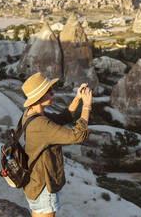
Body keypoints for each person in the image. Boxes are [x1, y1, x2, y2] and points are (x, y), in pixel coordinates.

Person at [21, 72, 92, 217]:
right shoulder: (40, 124)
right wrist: (87, 107)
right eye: (49, 91)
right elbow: (77, 136)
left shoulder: (31, 114)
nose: (53, 93)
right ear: (40, 97)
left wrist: (77, 98)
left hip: (35, 182)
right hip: (43, 185)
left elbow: (62, 118)